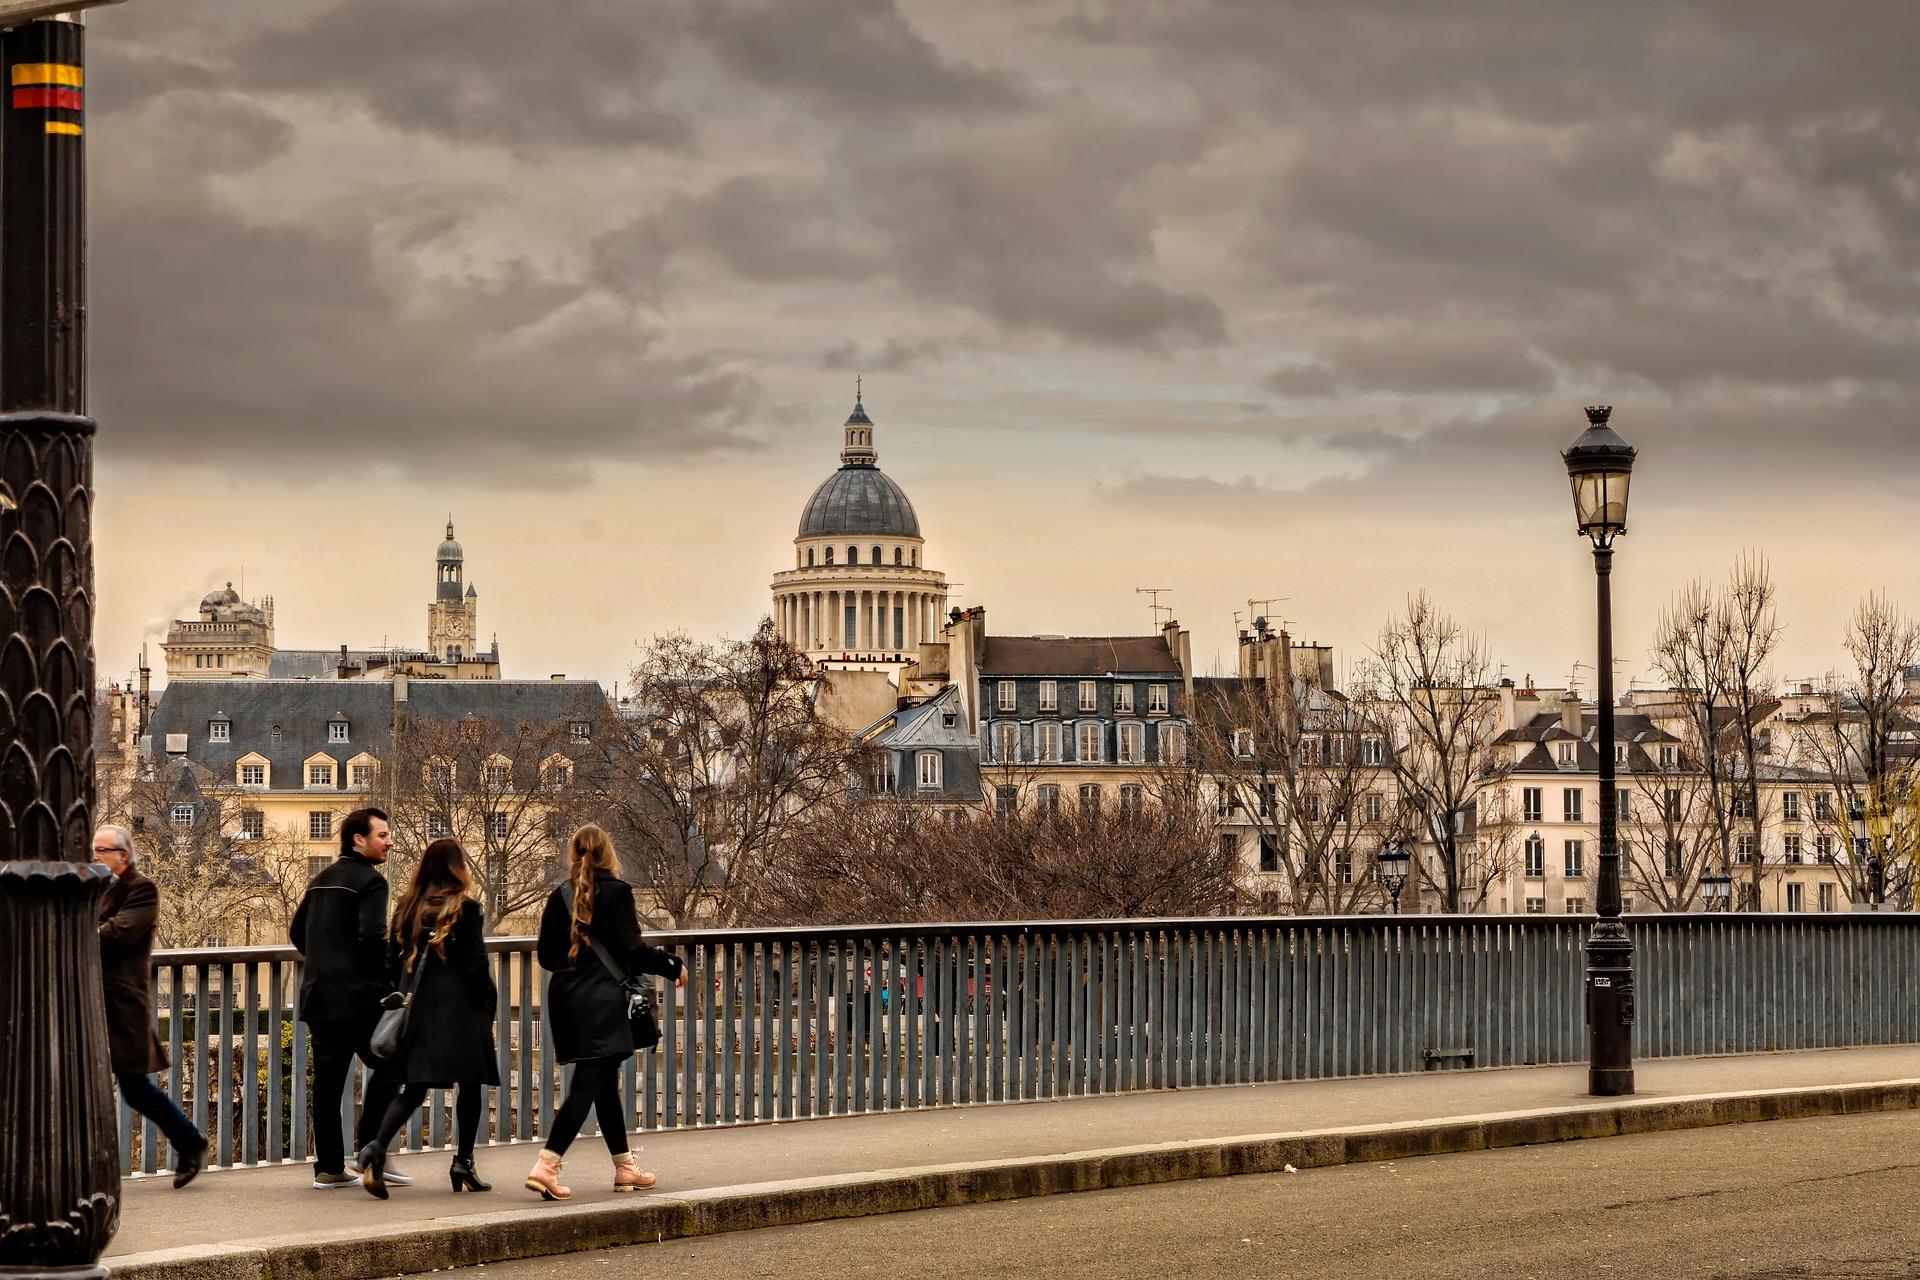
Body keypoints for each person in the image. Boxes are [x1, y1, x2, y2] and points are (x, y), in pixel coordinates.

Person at [526, 824, 685, 1200]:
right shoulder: (617, 892)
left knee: (601, 1082)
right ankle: (546, 1165)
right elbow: (632, 949)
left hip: (566, 998)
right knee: (587, 1084)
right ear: (608, 854)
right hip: (604, 999)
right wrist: (670, 964)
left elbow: (547, 957)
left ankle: (625, 1167)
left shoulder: (558, 896)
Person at [354, 838, 500, 1199]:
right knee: (470, 1084)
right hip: (461, 1010)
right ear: (457, 868)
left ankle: (376, 1146)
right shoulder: (466, 908)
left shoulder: (406, 908)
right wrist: (487, 1007)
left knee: (414, 1087)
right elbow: (475, 965)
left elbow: (390, 964)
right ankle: (463, 1161)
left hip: (418, 1010)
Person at [290, 807, 410, 1189]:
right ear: (359, 840)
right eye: (382, 835)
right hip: (358, 998)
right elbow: (372, 938)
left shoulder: (321, 878)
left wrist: (324, 960)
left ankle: (328, 1168)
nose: (389, 841)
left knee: (328, 1084)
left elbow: (297, 932)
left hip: (320, 997)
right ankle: (372, 1154)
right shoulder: (371, 882)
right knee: (394, 1067)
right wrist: (388, 982)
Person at [93, 825, 209, 1189]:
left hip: (121, 1001)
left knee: (134, 1086)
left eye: (101, 850)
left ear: (122, 855)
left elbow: (120, 932)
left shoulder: (140, 888)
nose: (94, 856)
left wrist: (78, 933)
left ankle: (189, 1141)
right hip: (95, 998)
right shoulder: (98, 888)